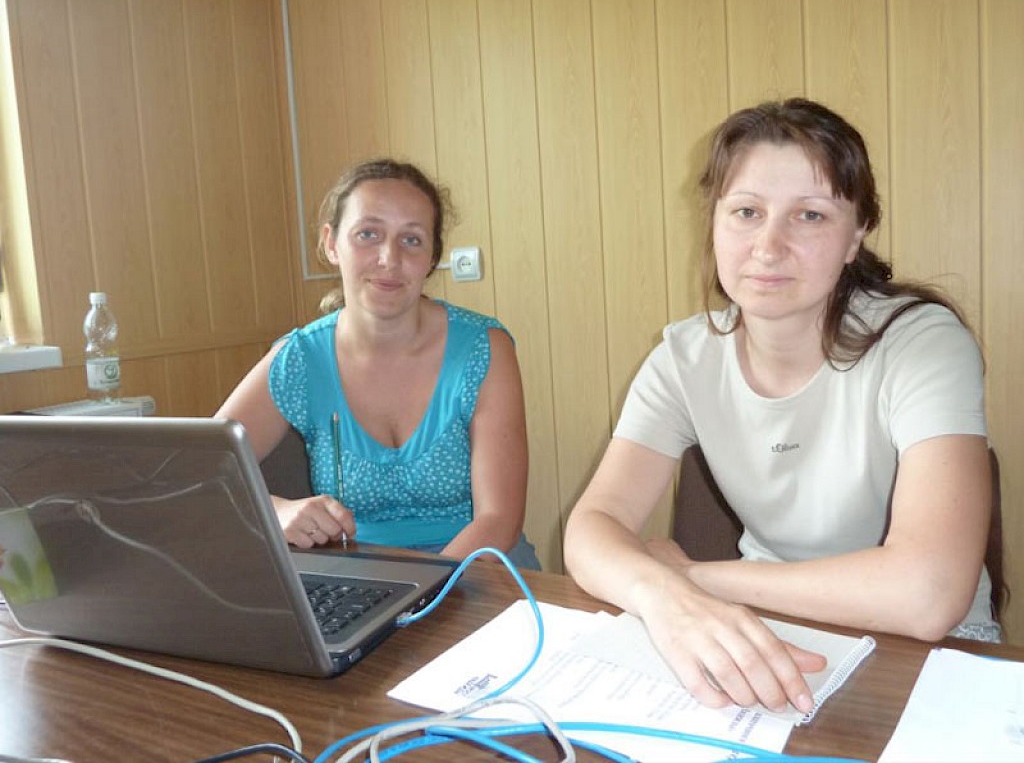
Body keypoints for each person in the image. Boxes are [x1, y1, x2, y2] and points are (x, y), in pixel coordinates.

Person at [563, 98, 995, 715]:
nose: (768, 246)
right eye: (746, 212)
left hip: (934, 650)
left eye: (810, 216)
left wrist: (690, 578)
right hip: (762, 624)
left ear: (855, 236)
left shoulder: (922, 343)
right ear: (714, 222)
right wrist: (661, 597)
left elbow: (929, 595)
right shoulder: (683, 358)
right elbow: (592, 527)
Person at [217, 158, 540, 569]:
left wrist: (422, 591)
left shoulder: (483, 348)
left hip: (479, 567)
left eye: (412, 240)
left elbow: (499, 520)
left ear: (432, 257)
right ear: (331, 243)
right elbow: (200, 475)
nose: (389, 258)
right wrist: (275, 510)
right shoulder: (299, 358)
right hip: (358, 576)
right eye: (368, 234)